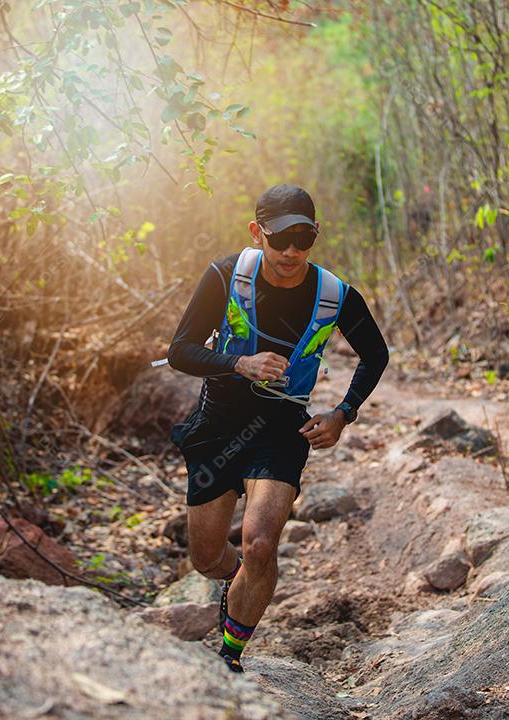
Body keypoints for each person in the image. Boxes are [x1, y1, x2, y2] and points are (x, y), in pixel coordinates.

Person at [166, 184, 389, 673]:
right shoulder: (225, 276)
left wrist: (342, 414)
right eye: (280, 239)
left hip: (281, 429)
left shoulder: (335, 294)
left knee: (260, 544)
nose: (291, 251)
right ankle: (245, 577)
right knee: (206, 557)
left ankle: (230, 656)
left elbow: (376, 355)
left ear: (315, 235)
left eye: (303, 239)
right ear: (257, 232)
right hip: (217, 423)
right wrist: (238, 362)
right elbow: (181, 350)